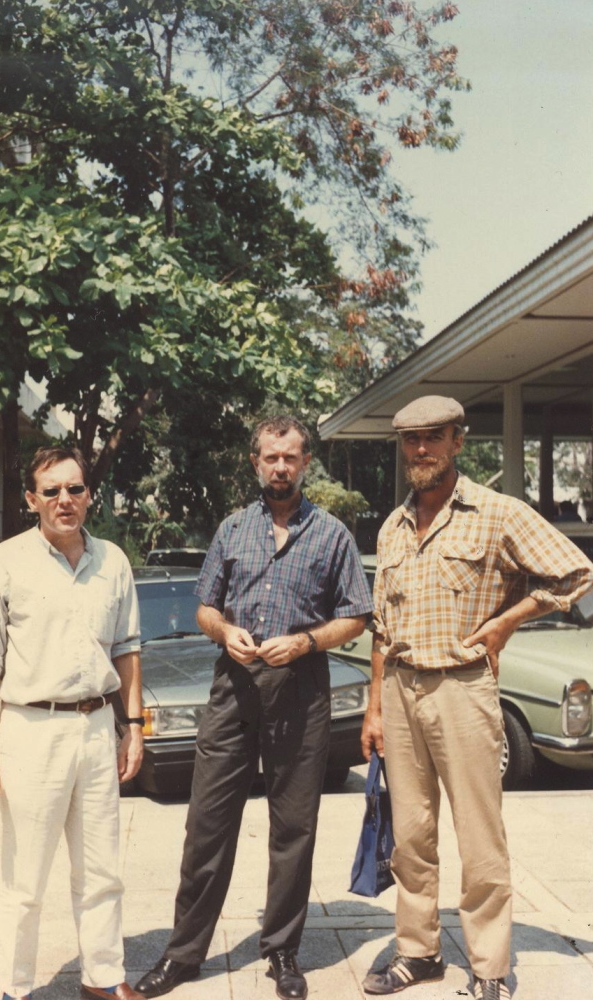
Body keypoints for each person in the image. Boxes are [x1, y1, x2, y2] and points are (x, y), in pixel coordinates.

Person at [360, 396, 593, 1000]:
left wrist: (506, 623)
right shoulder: (392, 527)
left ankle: (490, 967)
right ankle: (419, 951)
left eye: (433, 437)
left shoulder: (497, 513)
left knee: (479, 833)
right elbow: (382, 628)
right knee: (411, 834)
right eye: (411, 440)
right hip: (401, 686)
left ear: (458, 442)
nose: (421, 449)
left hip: (464, 690)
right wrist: (375, 707)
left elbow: (573, 573)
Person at [134, 416, 373, 1000]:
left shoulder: (332, 534)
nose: (280, 467)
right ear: (255, 462)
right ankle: (184, 954)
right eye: (271, 457)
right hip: (232, 691)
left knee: (293, 828)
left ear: (305, 463)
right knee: (207, 826)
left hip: (302, 689)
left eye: (290, 457)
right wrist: (224, 632)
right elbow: (205, 608)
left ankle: (283, 952)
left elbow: (358, 615)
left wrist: (308, 640)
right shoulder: (232, 529)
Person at [0, 446, 144, 1000]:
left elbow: (128, 648)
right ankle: (14, 989)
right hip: (30, 731)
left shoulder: (112, 561)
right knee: (25, 880)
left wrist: (133, 725)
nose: (65, 501)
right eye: (52, 491)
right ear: (31, 499)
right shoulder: (2, 563)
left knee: (101, 870)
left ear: (90, 494)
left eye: (75, 489)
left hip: (95, 728)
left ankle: (103, 977)